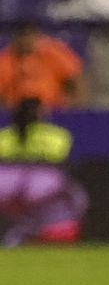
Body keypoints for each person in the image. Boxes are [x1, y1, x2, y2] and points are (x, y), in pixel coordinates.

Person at [0, 99, 87, 249]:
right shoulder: (57, 136)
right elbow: (60, 160)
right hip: (32, 197)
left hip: (24, 198)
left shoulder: (3, 137)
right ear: (41, 114)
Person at [0, 24, 84, 112]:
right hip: (17, 114)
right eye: (22, 36)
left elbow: (75, 79)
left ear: (37, 37)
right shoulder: (5, 59)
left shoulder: (53, 54)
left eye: (29, 36)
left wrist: (74, 107)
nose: (26, 41)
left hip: (53, 112)